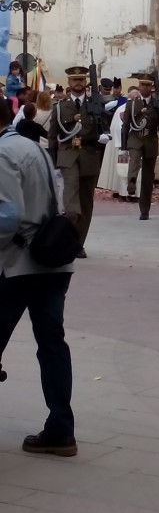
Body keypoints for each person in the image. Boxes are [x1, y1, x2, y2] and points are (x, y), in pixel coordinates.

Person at [0, 97, 76, 456]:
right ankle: (61, 428)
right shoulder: (33, 147)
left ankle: (60, 430)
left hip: (17, 263)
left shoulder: (3, 153)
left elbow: (6, 218)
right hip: (52, 259)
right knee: (52, 345)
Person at [48, 65, 111, 259]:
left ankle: (77, 243)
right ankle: (67, 238)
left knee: (86, 202)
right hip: (68, 154)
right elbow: (53, 137)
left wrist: (104, 137)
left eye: (81, 80)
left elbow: (105, 129)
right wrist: (52, 163)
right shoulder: (60, 107)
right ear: (69, 83)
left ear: (86, 83)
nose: (78, 83)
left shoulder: (95, 105)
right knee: (72, 203)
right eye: (74, 80)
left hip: (90, 153)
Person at [121, 75, 159, 221]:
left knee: (148, 176)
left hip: (150, 139)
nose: (145, 87)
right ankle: (132, 181)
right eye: (142, 85)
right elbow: (126, 125)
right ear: (139, 87)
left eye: (147, 85)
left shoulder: (157, 103)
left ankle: (144, 209)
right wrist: (123, 145)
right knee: (134, 158)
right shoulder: (132, 104)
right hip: (135, 138)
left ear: (151, 87)